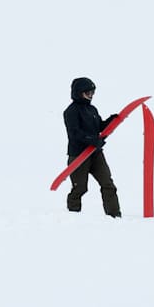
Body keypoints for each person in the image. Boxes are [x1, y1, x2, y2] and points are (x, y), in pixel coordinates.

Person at [63, 77, 121, 217]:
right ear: (78, 92)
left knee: (108, 184)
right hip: (79, 155)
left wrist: (110, 121)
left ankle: (114, 216)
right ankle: (73, 216)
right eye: (87, 92)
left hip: (95, 154)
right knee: (80, 188)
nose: (91, 95)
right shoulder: (71, 111)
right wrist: (92, 140)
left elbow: (99, 127)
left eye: (92, 92)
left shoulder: (92, 109)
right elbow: (75, 133)